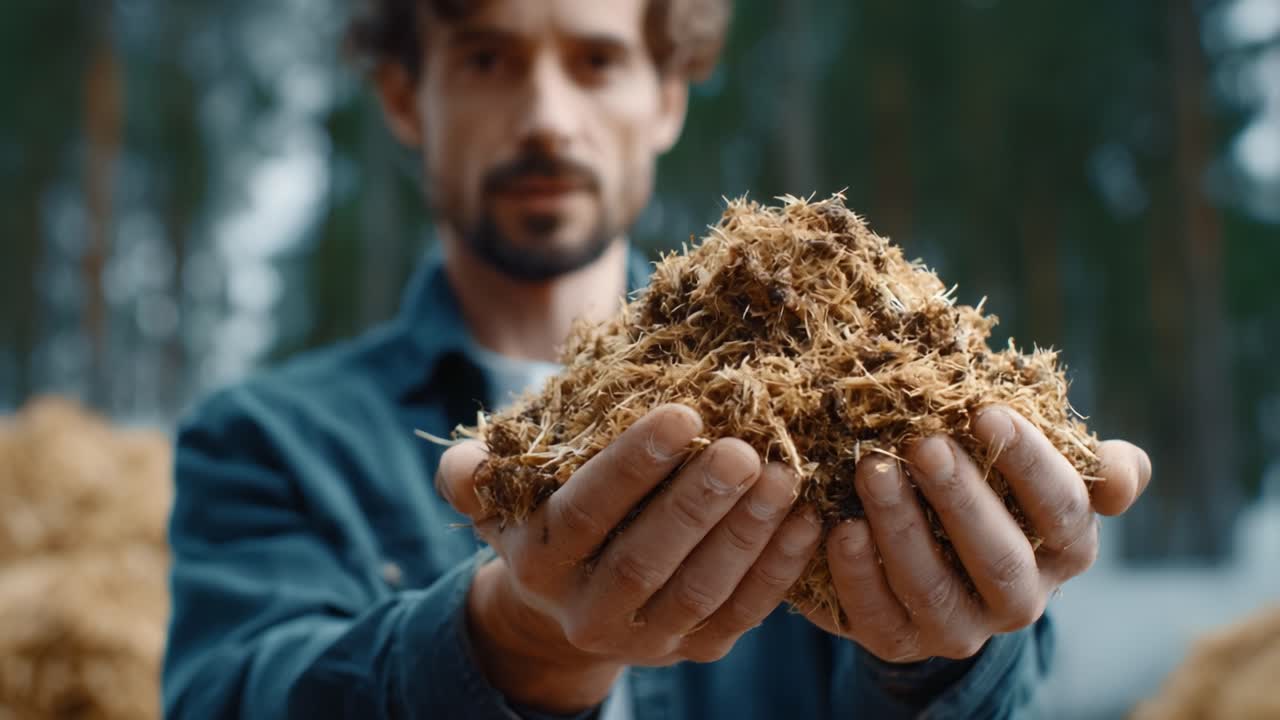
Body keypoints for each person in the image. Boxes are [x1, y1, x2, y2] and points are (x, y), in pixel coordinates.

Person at [161, 0, 1153, 717]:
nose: (546, 116)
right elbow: (225, 696)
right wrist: (511, 642)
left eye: (595, 61)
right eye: (485, 59)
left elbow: (1003, 690)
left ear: (667, 97)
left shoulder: (853, 394)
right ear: (403, 99)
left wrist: (943, 658)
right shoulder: (264, 440)